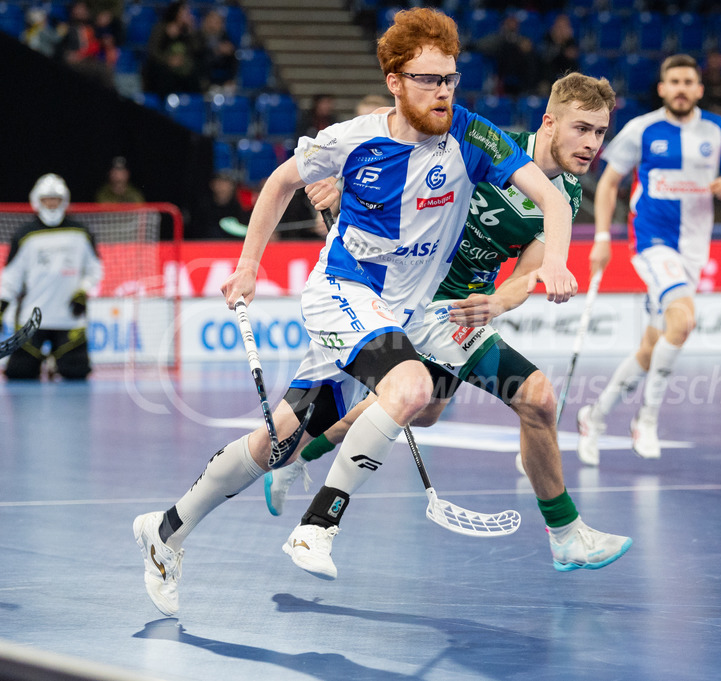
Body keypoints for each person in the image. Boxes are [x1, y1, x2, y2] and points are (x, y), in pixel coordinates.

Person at [132, 7, 577, 618]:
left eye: (450, 78)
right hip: (343, 291)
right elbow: (279, 184)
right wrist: (247, 266)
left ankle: (165, 531)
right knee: (413, 383)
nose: (443, 91)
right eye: (428, 80)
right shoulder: (353, 138)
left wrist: (553, 261)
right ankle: (318, 525)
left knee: (277, 444)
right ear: (395, 80)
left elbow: (553, 199)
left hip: (407, 311)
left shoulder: (473, 137)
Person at [264, 72, 632, 574]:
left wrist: (500, 302)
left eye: (600, 133)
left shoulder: (564, 196)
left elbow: (528, 274)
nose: (592, 144)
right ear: (549, 122)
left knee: (423, 410)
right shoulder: (489, 150)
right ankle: (566, 533)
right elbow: (401, 169)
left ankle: (299, 460)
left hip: (463, 309)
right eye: (581, 129)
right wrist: (341, 182)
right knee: (537, 397)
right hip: (409, 296)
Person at [575, 54, 721, 467]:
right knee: (684, 320)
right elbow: (608, 183)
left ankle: (593, 417)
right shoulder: (643, 129)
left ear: (700, 89)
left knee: (652, 347)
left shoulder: (718, 129)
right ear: (662, 88)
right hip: (652, 242)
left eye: (689, 81)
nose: (682, 88)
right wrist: (602, 237)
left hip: (693, 249)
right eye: (674, 81)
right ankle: (646, 419)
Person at [0, 174, 103, 381]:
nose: (51, 204)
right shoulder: (25, 235)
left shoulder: (81, 233)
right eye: (47, 199)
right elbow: (11, 277)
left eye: (55, 199)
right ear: (37, 201)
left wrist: (83, 291)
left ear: (64, 201)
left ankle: (58, 363)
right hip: (31, 319)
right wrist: (2, 305)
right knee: (19, 373)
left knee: (76, 372)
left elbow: (95, 270)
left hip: (70, 319)